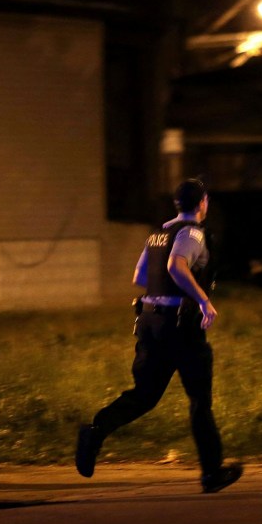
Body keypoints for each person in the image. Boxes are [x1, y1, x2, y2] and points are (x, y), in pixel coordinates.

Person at [76, 178, 243, 493]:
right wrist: (204, 301)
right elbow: (177, 266)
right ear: (203, 202)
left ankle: (96, 431)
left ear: (177, 204)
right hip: (182, 328)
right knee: (199, 401)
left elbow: (140, 276)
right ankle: (211, 473)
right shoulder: (192, 233)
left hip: (151, 323)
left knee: (144, 395)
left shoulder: (157, 235)